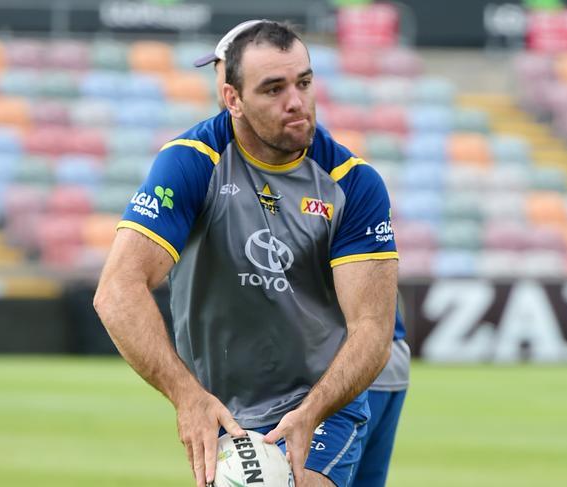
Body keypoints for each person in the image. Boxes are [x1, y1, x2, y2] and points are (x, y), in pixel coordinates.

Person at [94, 21, 398, 487]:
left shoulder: (353, 183)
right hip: (224, 407)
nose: (295, 101)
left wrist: (312, 411)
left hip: (318, 399)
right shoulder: (191, 162)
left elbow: (373, 328)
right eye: (273, 89)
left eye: (304, 82)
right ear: (231, 98)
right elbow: (116, 290)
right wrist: (187, 397)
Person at [195, 20, 410, 487]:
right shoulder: (209, 155)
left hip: (367, 360)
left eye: (300, 83)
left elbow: (366, 327)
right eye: (215, 72)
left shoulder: (336, 173)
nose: (216, 84)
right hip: (294, 372)